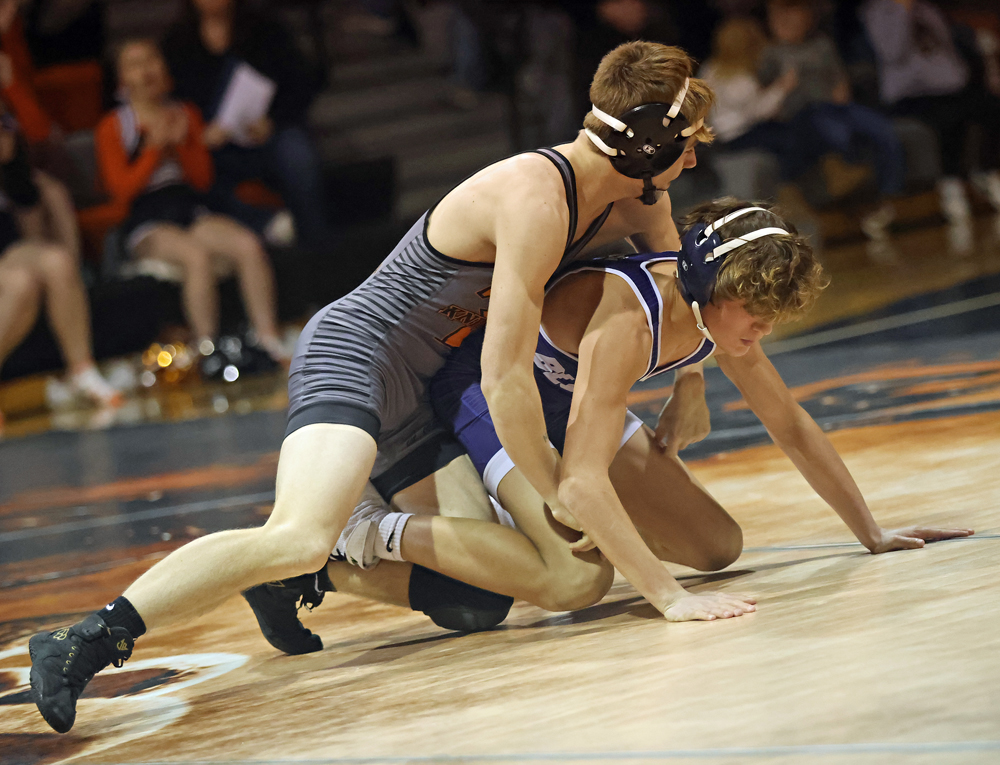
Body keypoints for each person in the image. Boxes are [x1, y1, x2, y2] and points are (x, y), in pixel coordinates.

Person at [27, 40, 716, 732]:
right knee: (298, 532)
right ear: (648, 143)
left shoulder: (638, 199)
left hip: (426, 385)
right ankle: (87, 638)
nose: (693, 160)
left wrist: (690, 382)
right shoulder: (538, 199)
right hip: (359, 353)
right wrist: (558, 489)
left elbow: (678, 289)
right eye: (686, 144)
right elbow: (503, 376)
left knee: (490, 596)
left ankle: (313, 573)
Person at [247, 199, 973, 653]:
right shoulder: (630, 319)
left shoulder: (715, 319)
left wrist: (870, 532)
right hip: (495, 397)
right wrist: (669, 598)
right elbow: (584, 482)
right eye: (757, 313)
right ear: (713, 290)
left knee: (716, 546)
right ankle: (357, 530)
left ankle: (519, 516)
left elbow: (790, 423)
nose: (765, 329)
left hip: (570, 398)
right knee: (576, 581)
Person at [95, 39, 287, 374]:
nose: (146, 70)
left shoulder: (185, 113)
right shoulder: (113, 126)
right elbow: (121, 192)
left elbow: (202, 180)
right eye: (135, 64)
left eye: (152, 59)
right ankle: (207, 350)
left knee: (247, 244)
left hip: (189, 207)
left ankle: (268, 339)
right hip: (147, 219)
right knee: (195, 256)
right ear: (122, 78)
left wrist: (184, 143)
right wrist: (154, 149)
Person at [161, 0, 330, 251]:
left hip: (267, 132)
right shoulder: (178, 42)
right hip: (212, 142)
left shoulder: (266, 29)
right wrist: (200, 131)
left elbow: (300, 83)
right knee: (195, 171)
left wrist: (272, 120)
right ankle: (264, 226)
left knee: (297, 156)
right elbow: (172, 102)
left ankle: (316, 242)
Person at [0, 111, 121, 430]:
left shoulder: (22, 179)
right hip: (9, 267)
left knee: (53, 264)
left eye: (6, 129)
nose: (4, 138)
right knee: (20, 281)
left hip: (16, 261)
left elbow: (39, 241)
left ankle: (81, 370)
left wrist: (32, 189)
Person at [759, 0, 906, 242]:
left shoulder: (822, 44)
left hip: (837, 107)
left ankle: (891, 195)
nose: (789, 24)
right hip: (803, 115)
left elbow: (839, 79)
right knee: (839, 136)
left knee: (882, 130)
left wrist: (841, 93)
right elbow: (763, 95)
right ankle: (857, 196)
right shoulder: (770, 54)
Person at [860, 0, 1000, 248]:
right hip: (909, 94)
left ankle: (987, 171)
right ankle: (951, 184)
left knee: (990, 106)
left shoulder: (928, 9)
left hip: (950, 88)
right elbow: (893, 51)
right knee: (947, 115)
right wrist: (903, 11)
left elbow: (947, 49)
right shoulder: (876, 12)